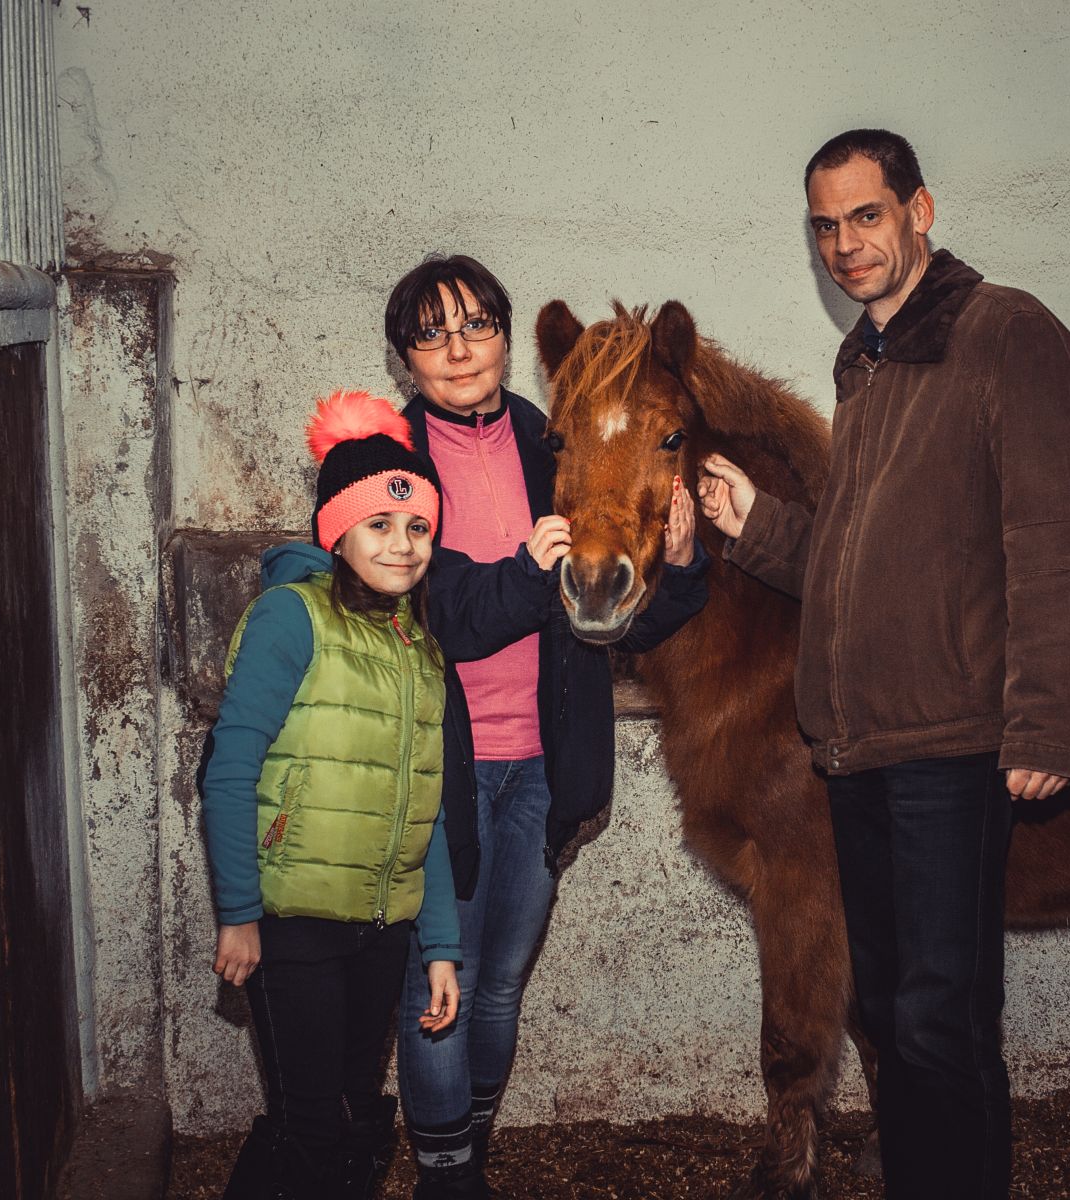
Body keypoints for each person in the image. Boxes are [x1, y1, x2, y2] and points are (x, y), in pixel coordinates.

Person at [698, 130, 1070, 1198]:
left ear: (919, 211)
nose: (844, 244)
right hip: (859, 746)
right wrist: (753, 523)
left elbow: (1057, 539)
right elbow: (853, 561)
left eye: (866, 216)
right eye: (824, 226)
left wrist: (1046, 722)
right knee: (891, 1012)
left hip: (950, 741)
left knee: (939, 1021)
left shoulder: (1005, 332)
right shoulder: (868, 364)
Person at [384, 255, 708, 1198]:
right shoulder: (390, 461)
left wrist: (684, 567)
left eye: (476, 326)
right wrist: (530, 575)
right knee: (436, 985)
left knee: (496, 985)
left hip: (539, 763)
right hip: (439, 767)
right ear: (406, 357)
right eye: (433, 334)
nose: (459, 349)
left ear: (504, 337)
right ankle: (446, 1181)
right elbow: (439, 610)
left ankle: (468, 1156)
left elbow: (610, 617)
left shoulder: (549, 440)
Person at [202, 389, 572, 1200]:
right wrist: (239, 912)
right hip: (292, 919)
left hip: (378, 927)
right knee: (312, 1126)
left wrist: (438, 948)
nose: (402, 546)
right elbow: (228, 771)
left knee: (351, 1115)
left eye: (418, 528)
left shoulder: (420, 649)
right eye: (378, 525)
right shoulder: (289, 619)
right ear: (335, 531)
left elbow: (427, 813)